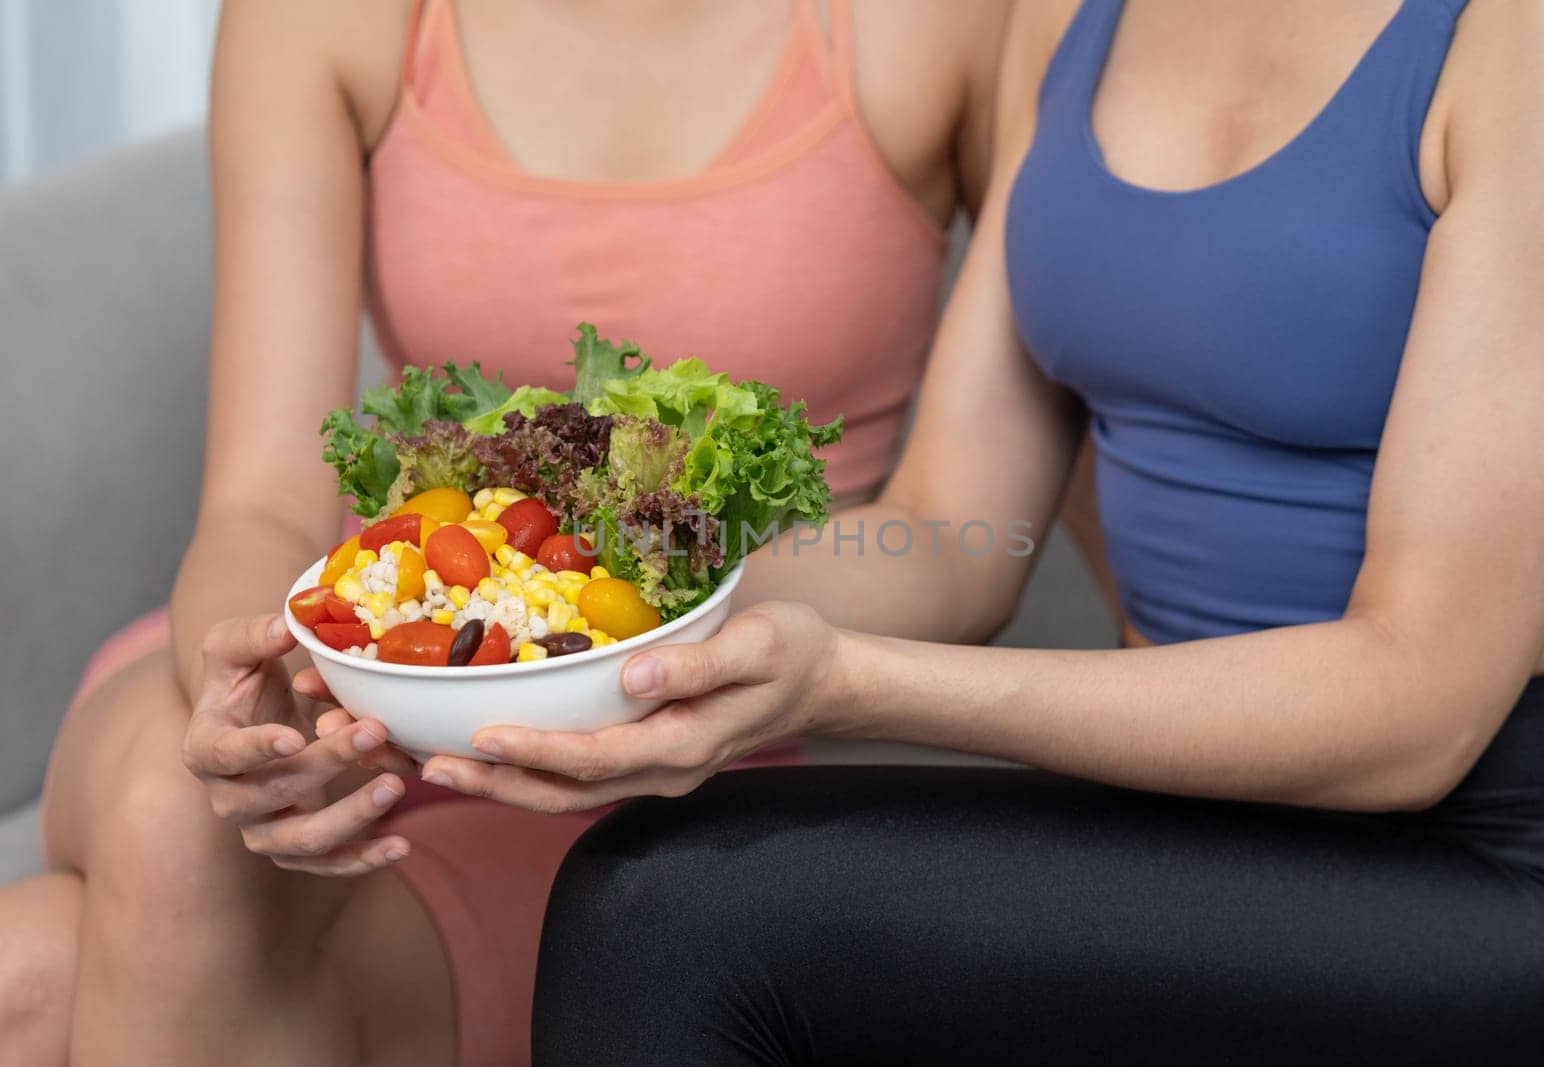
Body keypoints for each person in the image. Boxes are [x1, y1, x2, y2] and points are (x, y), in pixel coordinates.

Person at [406, 0, 1544, 1061]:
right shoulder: (1070, 15)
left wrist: (845, 684)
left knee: (664, 908)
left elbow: (1418, 709)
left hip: (1526, 828)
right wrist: (546, 612)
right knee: (661, 881)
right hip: (1215, 806)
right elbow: (949, 535)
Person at [0, 1, 1012, 1064]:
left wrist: (648, 612)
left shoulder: (942, 26)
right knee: (175, 810)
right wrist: (264, 694)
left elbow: (962, 541)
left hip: (675, 731)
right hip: (379, 656)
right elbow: (262, 502)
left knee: (35, 983)